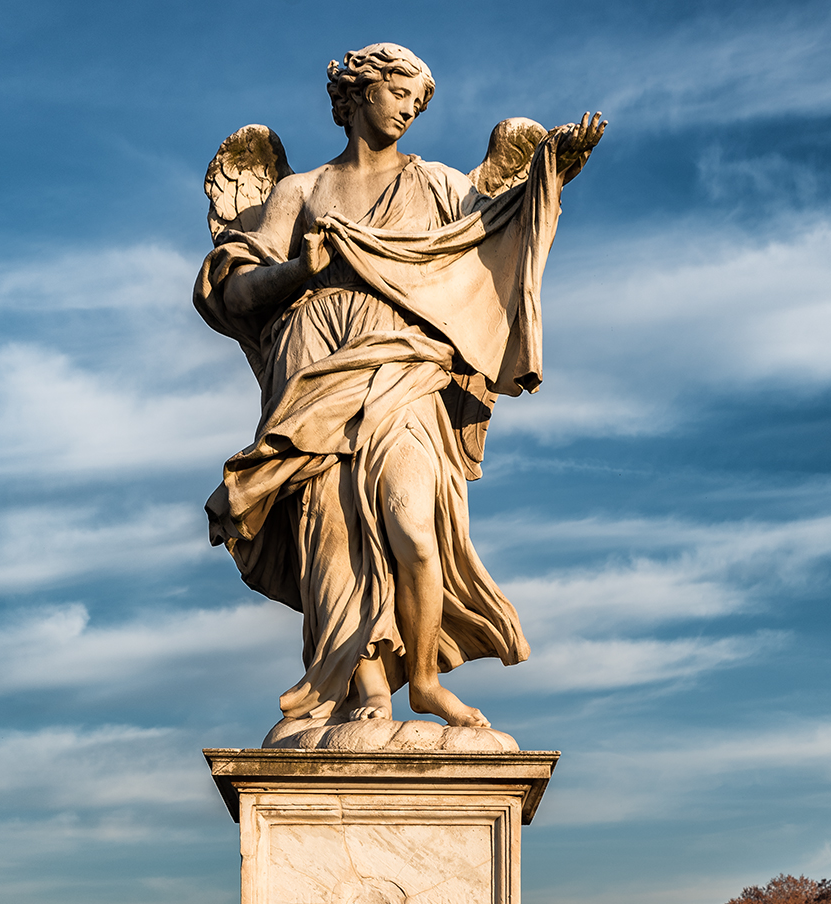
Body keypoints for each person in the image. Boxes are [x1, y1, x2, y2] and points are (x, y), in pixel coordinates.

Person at [195, 43, 603, 731]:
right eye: (399, 91)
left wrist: (547, 180)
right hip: (315, 366)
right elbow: (234, 290)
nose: (411, 107)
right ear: (357, 95)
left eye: (419, 99)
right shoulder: (299, 193)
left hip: (403, 369)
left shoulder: (442, 186)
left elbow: (499, 243)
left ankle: (422, 680)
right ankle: (365, 691)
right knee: (334, 543)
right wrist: (299, 269)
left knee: (415, 526)